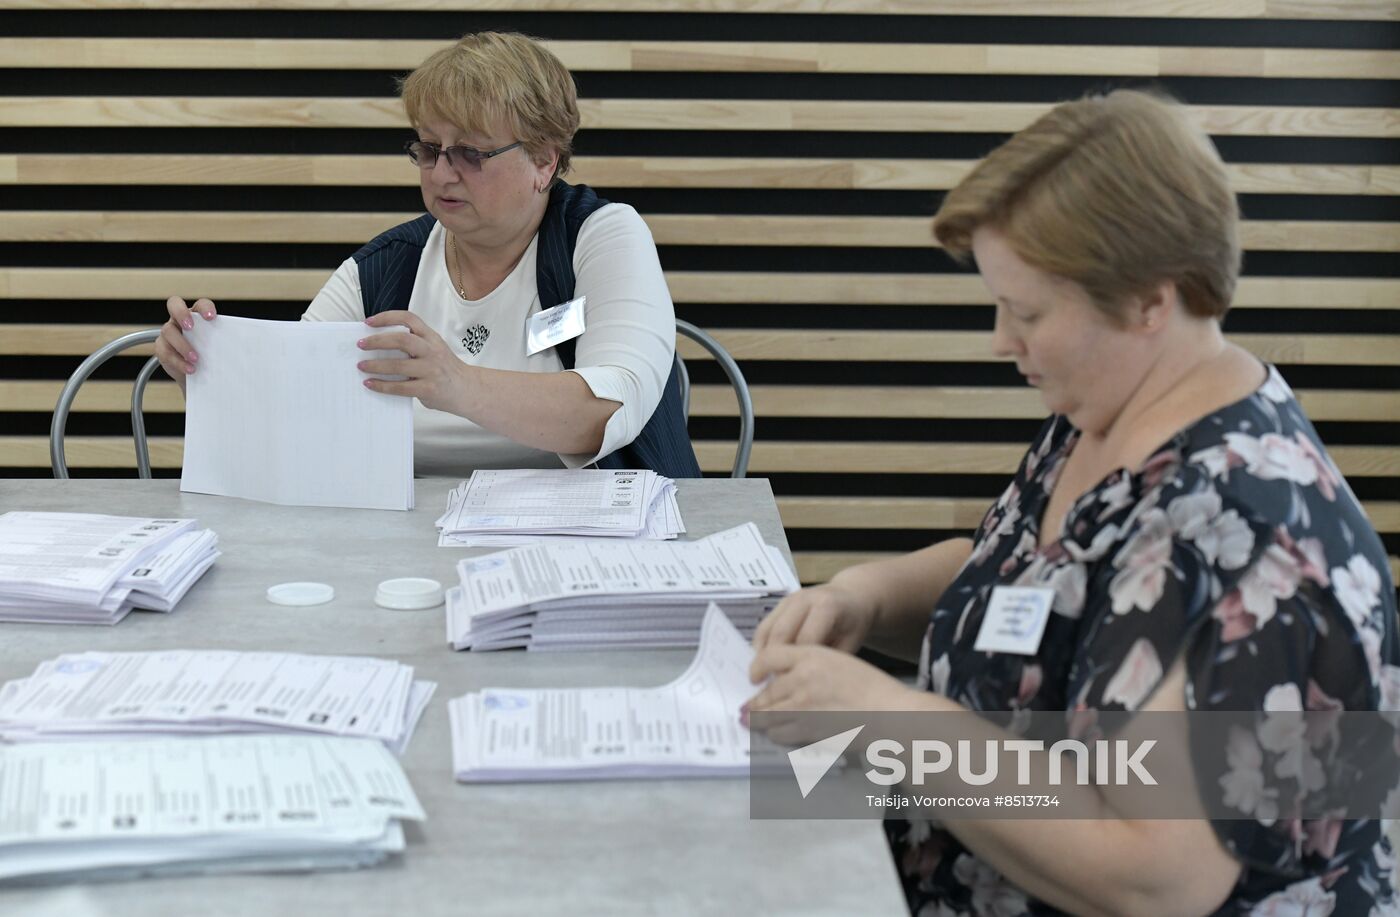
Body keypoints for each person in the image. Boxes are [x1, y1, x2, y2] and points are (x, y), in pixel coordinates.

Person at [746, 89, 1399, 915]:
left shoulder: (1260, 538)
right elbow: (1026, 571)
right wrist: (864, 597)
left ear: (1150, 301)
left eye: (1026, 311)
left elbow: (1155, 876)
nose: (1000, 339)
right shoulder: (1106, 406)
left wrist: (891, 715)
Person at [154, 31, 698, 478]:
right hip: (407, 538)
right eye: (429, 149)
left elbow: (605, 410)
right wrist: (210, 374)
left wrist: (457, 384)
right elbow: (294, 410)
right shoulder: (383, 267)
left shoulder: (601, 237)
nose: (441, 173)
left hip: (595, 535)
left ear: (544, 162)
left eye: (470, 153)